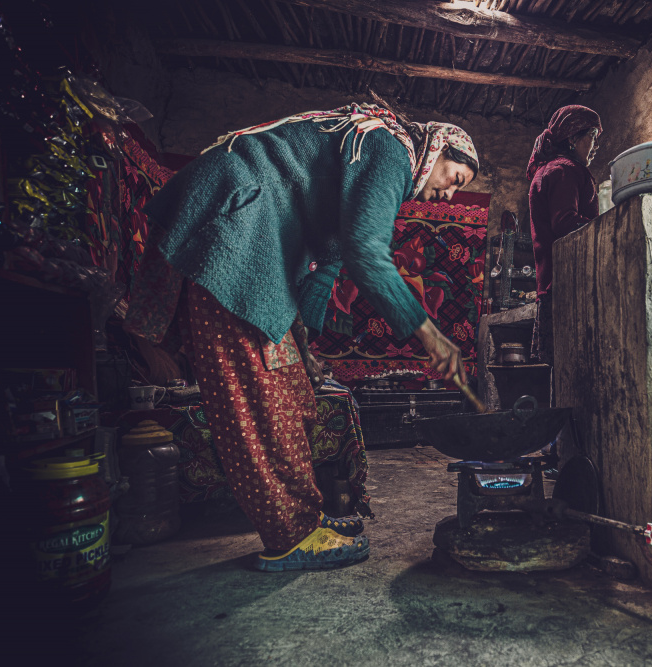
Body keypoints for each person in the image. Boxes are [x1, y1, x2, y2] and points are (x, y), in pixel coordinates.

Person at [123, 103, 478, 571]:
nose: (450, 197)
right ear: (437, 149)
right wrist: (427, 333)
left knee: (294, 391)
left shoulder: (370, 160)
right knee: (260, 397)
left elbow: (328, 262)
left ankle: (305, 518)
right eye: (455, 178)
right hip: (235, 223)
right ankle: (291, 535)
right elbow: (365, 252)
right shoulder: (391, 147)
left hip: (251, 232)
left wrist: (303, 340)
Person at [526, 105, 601, 368]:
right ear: (572, 138)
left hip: (553, 284)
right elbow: (566, 223)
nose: (596, 145)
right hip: (568, 285)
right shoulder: (565, 170)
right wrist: (605, 226)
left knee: (561, 374)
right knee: (573, 370)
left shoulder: (549, 170)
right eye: (592, 136)